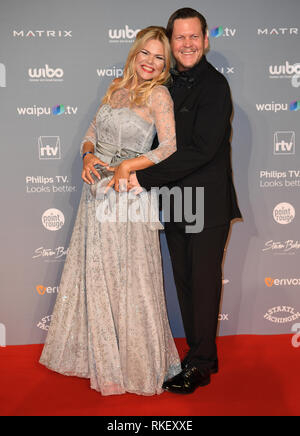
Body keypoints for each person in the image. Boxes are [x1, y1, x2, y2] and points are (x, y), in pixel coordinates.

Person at [39, 26, 182, 396]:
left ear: (165, 65)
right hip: (96, 194)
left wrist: (129, 166)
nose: (150, 62)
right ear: (135, 54)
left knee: (131, 280)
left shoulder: (160, 96)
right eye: (145, 54)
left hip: (129, 196)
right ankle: (101, 359)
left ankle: (136, 364)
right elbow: (91, 132)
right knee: (98, 277)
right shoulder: (116, 86)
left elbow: (169, 147)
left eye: (159, 58)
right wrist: (87, 153)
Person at [130, 8, 242, 394]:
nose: (188, 44)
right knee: (186, 286)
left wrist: (141, 177)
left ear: (206, 40)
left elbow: (200, 150)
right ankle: (196, 356)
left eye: (194, 37)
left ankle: (202, 364)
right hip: (175, 202)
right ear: (170, 42)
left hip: (207, 205)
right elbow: (151, 142)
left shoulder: (215, 87)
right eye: (180, 38)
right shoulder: (164, 85)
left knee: (204, 285)